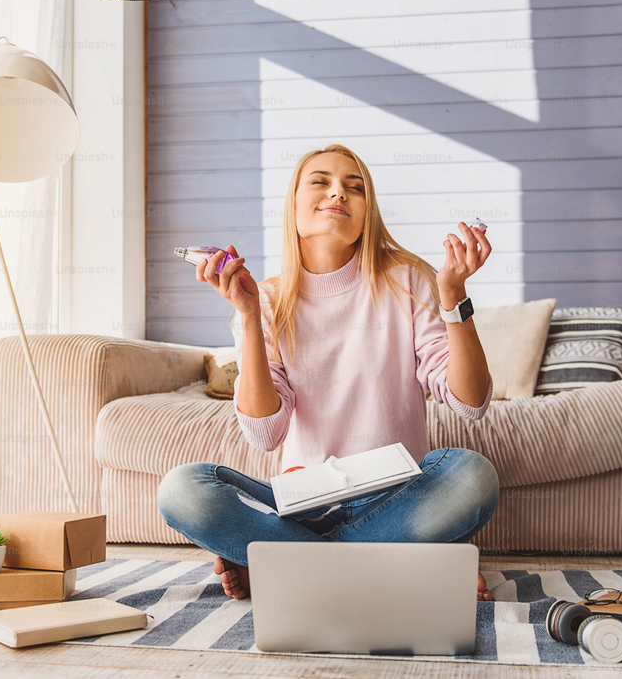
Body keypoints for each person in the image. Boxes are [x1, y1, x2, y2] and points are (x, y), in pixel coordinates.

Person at [156, 144, 499, 602]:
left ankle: (288, 568)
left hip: (395, 498)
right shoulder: (266, 300)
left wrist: (455, 297)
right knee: (183, 490)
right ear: (294, 205)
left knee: (472, 476)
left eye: (354, 187)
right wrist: (250, 314)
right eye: (320, 181)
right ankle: (401, 569)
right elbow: (264, 432)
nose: (338, 192)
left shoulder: (410, 280)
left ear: (366, 213)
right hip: (302, 506)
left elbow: (469, 402)